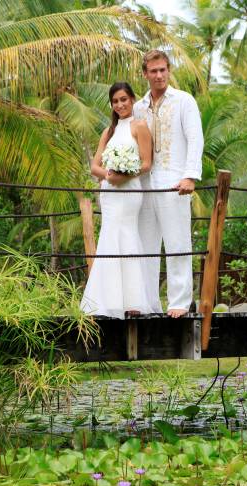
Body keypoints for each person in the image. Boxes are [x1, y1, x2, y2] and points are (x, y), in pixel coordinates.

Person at [133, 49, 204, 318]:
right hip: (144, 184)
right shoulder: (138, 107)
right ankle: (148, 303)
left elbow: (195, 138)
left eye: (163, 70)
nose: (159, 75)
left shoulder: (184, 101)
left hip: (175, 182)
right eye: (153, 71)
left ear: (169, 70)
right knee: (145, 246)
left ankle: (180, 302)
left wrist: (190, 175)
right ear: (145, 74)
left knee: (177, 243)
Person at [80, 82, 155, 319]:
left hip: (129, 190)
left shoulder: (140, 126)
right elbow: (94, 166)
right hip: (110, 192)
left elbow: (146, 163)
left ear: (132, 99)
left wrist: (125, 175)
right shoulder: (108, 132)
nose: (120, 104)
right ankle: (108, 300)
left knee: (127, 235)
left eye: (124, 99)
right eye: (115, 101)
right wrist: (109, 176)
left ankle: (133, 300)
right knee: (109, 237)